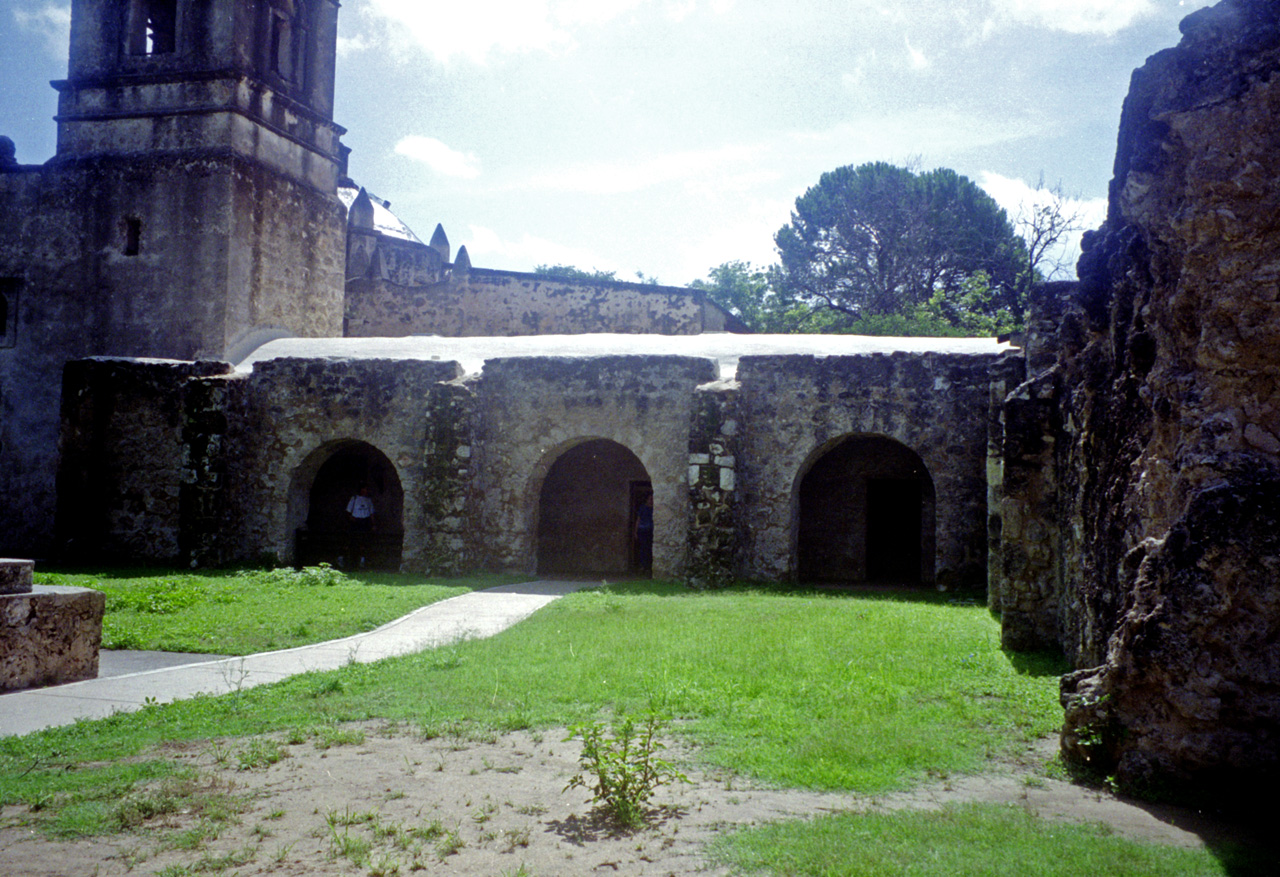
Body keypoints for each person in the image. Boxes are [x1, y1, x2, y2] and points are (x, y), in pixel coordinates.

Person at [345, 484, 375, 568]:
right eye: (364, 489)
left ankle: (363, 560)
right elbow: (348, 511)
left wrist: (373, 524)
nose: (366, 491)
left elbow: (372, 513)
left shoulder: (369, 500)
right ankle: (351, 561)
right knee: (354, 541)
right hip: (356, 521)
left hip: (365, 521)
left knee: (364, 541)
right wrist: (351, 519)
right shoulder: (354, 498)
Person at [634, 492, 654, 575]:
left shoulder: (655, 508)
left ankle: (648, 567)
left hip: (651, 530)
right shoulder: (643, 508)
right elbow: (638, 519)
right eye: (650, 499)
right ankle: (642, 566)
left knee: (649, 549)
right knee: (643, 549)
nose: (651, 501)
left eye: (652, 499)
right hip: (642, 530)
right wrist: (635, 531)